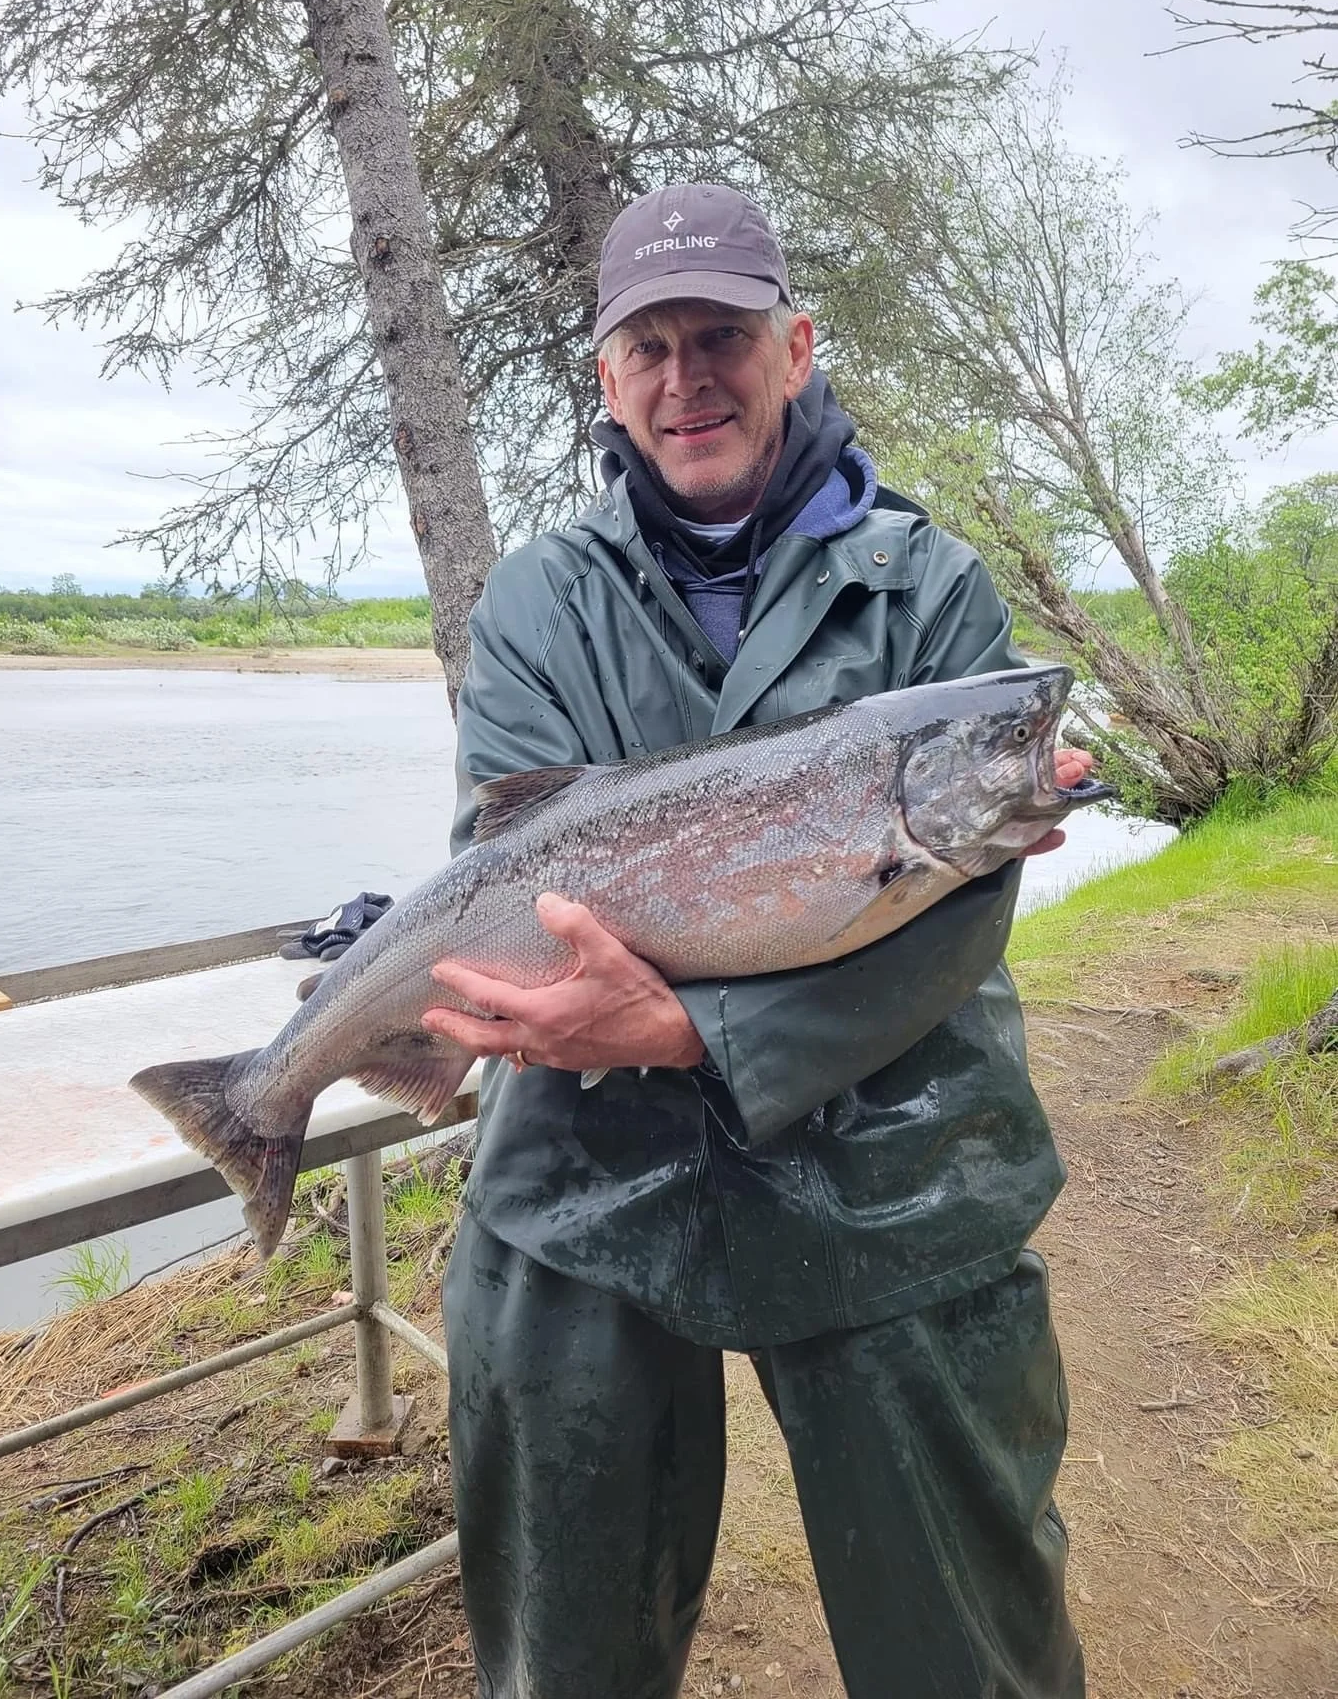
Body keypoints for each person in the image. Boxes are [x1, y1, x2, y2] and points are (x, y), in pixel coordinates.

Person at [421, 184, 1089, 1699]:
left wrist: (695, 1035)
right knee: (561, 1640)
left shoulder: (930, 587)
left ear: (793, 346)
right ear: (605, 378)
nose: (685, 377)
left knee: (965, 1636)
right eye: (646, 346)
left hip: (903, 1146)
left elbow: (955, 912)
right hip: (578, 1162)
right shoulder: (535, 598)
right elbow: (515, 875)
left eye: (719, 334)